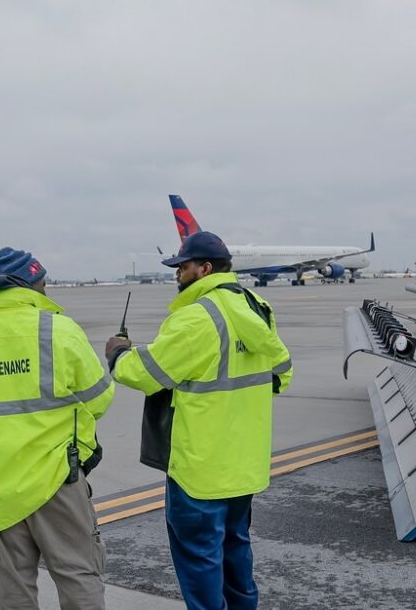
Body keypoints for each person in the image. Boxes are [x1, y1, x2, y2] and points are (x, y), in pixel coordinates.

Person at [105, 231, 292, 610]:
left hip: (199, 469)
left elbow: (145, 374)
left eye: (183, 266)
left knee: (199, 557)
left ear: (205, 269)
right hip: (244, 465)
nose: (177, 273)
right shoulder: (257, 307)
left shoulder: (196, 318)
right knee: (236, 548)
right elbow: (281, 374)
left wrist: (118, 354)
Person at [0, 247, 115, 610]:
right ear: (31, 285)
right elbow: (100, 398)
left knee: (13, 590)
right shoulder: (57, 329)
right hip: (58, 478)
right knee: (78, 575)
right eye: (43, 284)